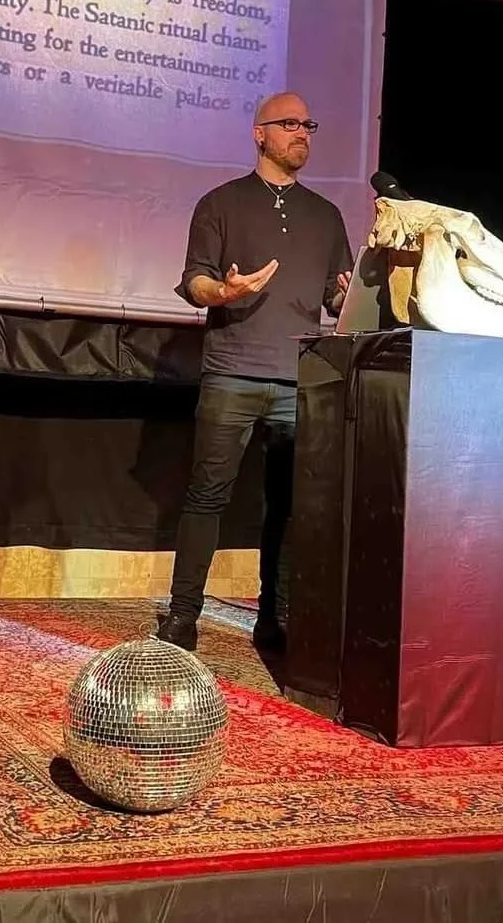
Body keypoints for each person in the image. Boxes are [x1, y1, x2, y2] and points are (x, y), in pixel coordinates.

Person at [157, 92, 353, 654]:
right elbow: (195, 280)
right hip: (233, 373)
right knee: (207, 497)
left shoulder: (326, 216)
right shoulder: (220, 203)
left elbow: (335, 301)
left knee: (288, 506)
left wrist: (350, 297)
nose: (302, 133)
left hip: (298, 380)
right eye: (289, 123)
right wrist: (224, 291)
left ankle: (276, 617)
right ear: (259, 133)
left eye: (308, 124)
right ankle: (183, 618)